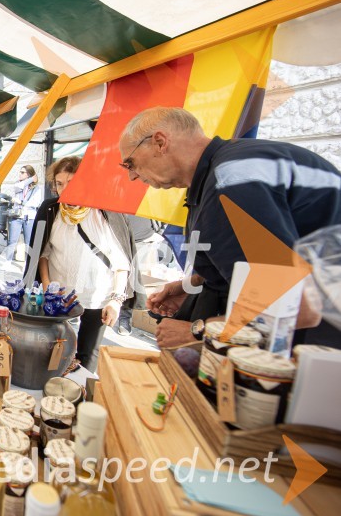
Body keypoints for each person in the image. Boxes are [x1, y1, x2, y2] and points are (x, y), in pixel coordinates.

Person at [118, 106, 341, 347]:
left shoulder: (231, 182)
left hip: (316, 348)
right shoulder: (227, 167)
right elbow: (252, 261)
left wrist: (197, 331)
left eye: (130, 163)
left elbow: (294, 306)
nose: (132, 176)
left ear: (160, 142)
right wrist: (196, 284)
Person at [28, 156, 133, 371]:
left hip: (96, 296)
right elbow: (42, 252)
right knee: (53, 349)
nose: (65, 189)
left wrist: (116, 300)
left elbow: (121, 262)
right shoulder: (51, 210)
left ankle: (79, 398)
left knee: (87, 357)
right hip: (59, 296)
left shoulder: (105, 213)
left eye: (72, 182)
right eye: (59, 183)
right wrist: (46, 284)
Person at [7, 165, 43, 259]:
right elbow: (19, 187)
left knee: (29, 242)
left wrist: (21, 202)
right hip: (17, 216)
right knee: (12, 241)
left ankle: (28, 264)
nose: (20, 174)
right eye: (20, 172)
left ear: (29, 174)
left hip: (29, 218)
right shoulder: (18, 185)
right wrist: (31, 179)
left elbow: (35, 203)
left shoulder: (36, 189)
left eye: (22, 172)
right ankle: (7, 262)